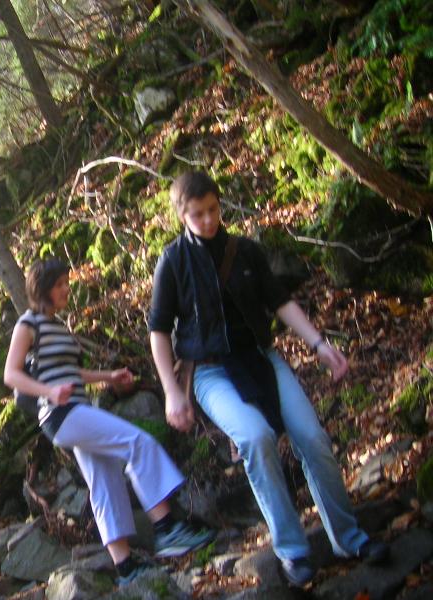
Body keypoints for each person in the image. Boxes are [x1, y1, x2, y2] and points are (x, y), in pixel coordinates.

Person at [148, 171, 389, 587]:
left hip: (261, 359)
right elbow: (158, 331)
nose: (208, 220)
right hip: (209, 372)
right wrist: (172, 392)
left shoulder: (245, 251)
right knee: (256, 437)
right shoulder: (173, 261)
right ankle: (293, 551)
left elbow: (280, 302)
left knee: (312, 437)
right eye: (198, 214)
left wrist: (319, 344)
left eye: (213, 210)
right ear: (182, 216)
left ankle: (348, 537)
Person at [4, 258, 214, 585]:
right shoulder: (27, 324)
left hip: (74, 410)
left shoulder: (57, 326)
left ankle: (125, 566)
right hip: (61, 414)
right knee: (136, 442)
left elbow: (72, 371)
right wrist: (49, 391)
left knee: (103, 478)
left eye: (66, 282)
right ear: (42, 289)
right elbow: (11, 374)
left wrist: (109, 377)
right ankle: (167, 529)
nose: (66, 289)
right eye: (59, 285)